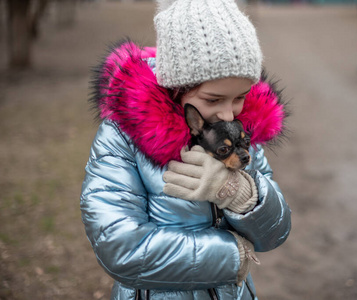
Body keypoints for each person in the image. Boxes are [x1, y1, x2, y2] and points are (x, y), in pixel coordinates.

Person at [80, 0, 291, 299]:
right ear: (176, 87)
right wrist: (233, 256)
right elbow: (119, 247)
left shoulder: (241, 133)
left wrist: (240, 193)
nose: (230, 115)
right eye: (214, 99)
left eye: (240, 97)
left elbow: (275, 232)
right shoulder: (123, 136)